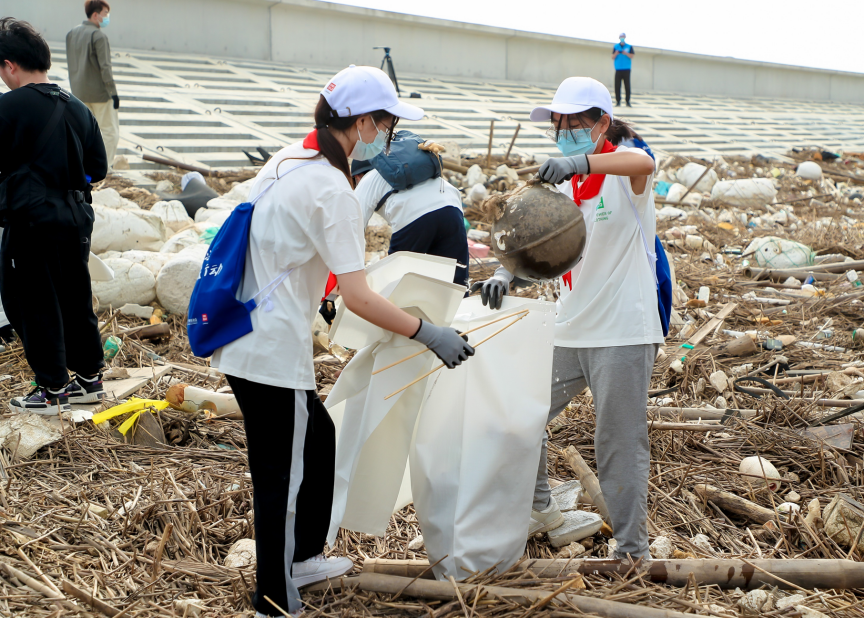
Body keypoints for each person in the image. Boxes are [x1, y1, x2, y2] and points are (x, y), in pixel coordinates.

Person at [209, 65, 474, 618]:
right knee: (281, 478)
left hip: (247, 331)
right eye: (387, 124)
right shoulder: (331, 187)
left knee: (319, 439)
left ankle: (302, 557)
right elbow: (360, 297)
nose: (389, 136)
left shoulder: (290, 158)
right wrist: (429, 331)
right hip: (271, 351)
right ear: (363, 123)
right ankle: (274, 599)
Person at [480, 77, 661, 559]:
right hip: (570, 325)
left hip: (623, 329)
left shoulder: (625, 170)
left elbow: (644, 161)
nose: (565, 134)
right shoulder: (566, 185)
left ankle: (631, 551)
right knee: (522, 413)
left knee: (618, 441)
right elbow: (544, 248)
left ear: (603, 122)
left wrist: (580, 159)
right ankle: (540, 506)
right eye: (559, 126)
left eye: (576, 125)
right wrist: (508, 274)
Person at [0, 18, 108, 414]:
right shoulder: (77, 107)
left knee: (31, 301)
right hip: (75, 218)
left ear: (10, 65)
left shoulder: (7, 108)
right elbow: (98, 168)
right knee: (74, 297)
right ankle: (90, 380)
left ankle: (51, 390)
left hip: (30, 221)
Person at [352, 150, 469, 287]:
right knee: (455, 280)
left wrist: (352, 275)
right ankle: (462, 306)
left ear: (357, 176)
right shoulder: (411, 169)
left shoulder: (368, 179)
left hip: (414, 216)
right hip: (451, 208)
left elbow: (353, 229)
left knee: (398, 284)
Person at [66, 0, 119, 168]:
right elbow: (105, 68)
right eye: (105, 13)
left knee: (84, 133)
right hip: (100, 94)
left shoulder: (72, 33)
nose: (107, 17)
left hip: (79, 93)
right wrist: (113, 93)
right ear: (95, 15)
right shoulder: (99, 36)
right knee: (110, 132)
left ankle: (83, 166)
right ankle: (106, 168)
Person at [612, 33, 634, 107]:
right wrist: (616, 53)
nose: (622, 38)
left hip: (626, 69)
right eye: (621, 37)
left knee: (627, 86)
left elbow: (632, 56)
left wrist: (625, 53)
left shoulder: (629, 46)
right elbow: (612, 57)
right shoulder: (616, 46)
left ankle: (628, 102)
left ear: (625, 37)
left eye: (623, 37)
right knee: (617, 86)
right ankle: (618, 101)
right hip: (618, 69)